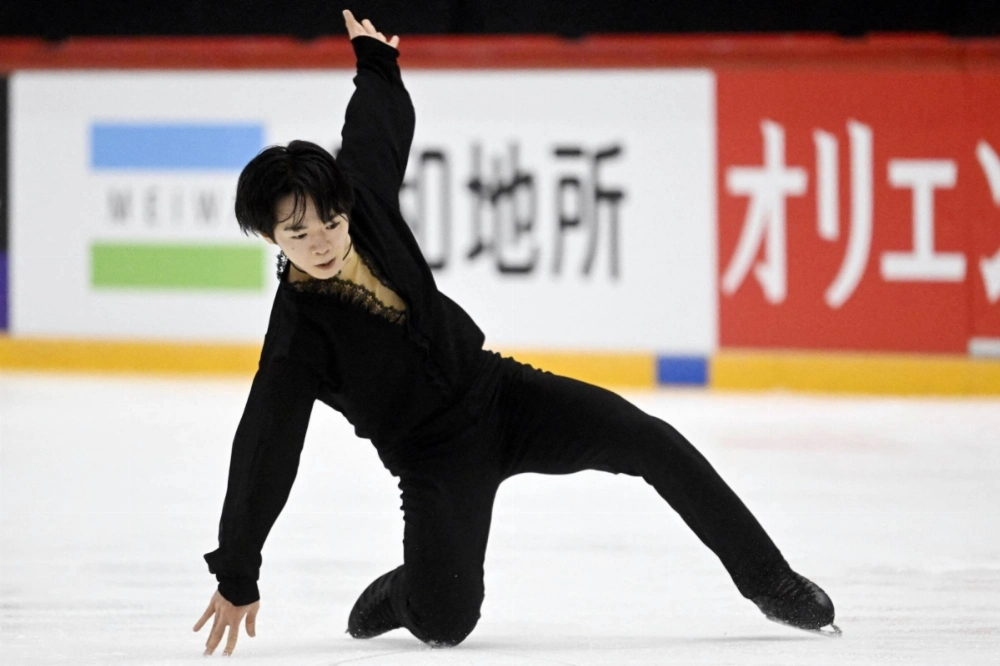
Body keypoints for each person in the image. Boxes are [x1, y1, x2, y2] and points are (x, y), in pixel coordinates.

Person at [193, 9, 839, 657]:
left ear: (344, 207)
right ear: (270, 237)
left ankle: (770, 580)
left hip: (500, 394)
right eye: (297, 233)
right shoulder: (297, 341)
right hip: (433, 458)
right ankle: (403, 592)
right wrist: (238, 572)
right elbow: (265, 449)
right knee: (445, 624)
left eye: (329, 223)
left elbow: (377, 125)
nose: (321, 242)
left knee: (650, 440)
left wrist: (377, 63)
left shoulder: (365, 203)